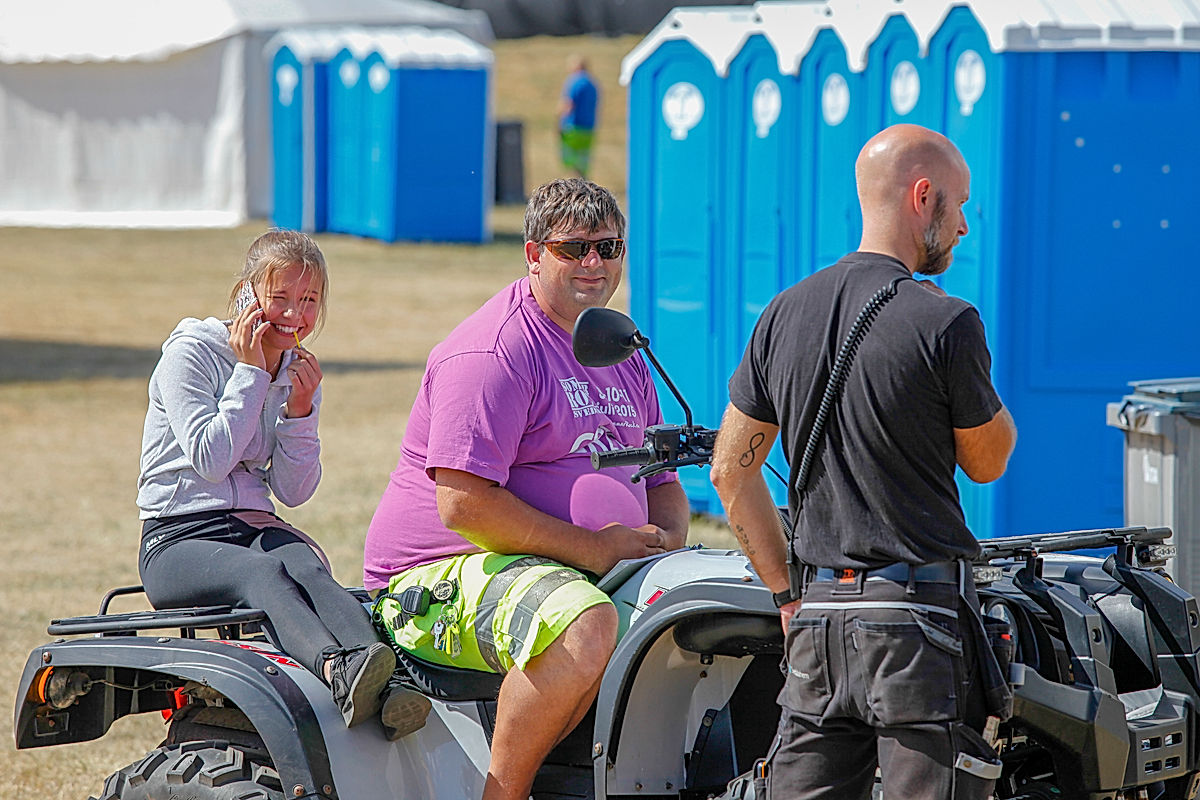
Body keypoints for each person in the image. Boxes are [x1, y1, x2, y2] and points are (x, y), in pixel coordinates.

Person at [710, 124, 1018, 799]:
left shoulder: (782, 313)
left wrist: (788, 596)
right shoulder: (946, 321)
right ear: (923, 195)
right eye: (960, 204)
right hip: (916, 627)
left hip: (818, 623)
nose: (964, 226)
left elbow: (730, 469)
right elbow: (989, 461)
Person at [365, 178, 690, 800]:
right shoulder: (493, 352)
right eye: (574, 249)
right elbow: (462, 504)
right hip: (435, 574)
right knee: (584, 623)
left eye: (609, 246)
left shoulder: (619, 346)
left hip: (563, 563)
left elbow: (662, 481)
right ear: (534, 254)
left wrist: (666, 542)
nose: (594, 263)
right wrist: (596, 552)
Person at [136, 229, 428, 738]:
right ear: (249, 294)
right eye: (281, 298)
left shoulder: (295, 370)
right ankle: (340, 673)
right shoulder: (191, 355)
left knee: (307, 566)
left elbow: (294, 492)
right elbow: (211, 458)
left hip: (252, 523)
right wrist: (250, 374)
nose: (295, 314)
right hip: (177, 537)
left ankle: (389, 680)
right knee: (264, 574)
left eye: (309, 300)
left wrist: (299, 413)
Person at [558, 56, 599, 178]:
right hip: (588, 128)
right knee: (583, 160)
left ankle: (573, 187)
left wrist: (559, 122)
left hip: (573, 127)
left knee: (570, 160)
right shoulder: (592, 84)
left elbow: (568, 104)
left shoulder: (574, 82)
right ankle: (583, 184)